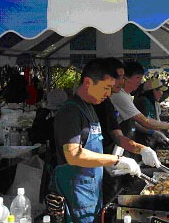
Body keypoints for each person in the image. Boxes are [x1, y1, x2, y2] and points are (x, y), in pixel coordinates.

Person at [52, 58, 144, 223]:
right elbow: (74, 155)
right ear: (88, 82)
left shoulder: (91, 107)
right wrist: (116, 160)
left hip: (91, 190)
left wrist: (141, 150)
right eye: (106, 87)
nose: (108, 93)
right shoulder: (70, 111)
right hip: (75, 192)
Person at [93, 58, 161, 205]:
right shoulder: (78, 108)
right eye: (120, 78)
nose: (121, 82)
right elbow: (73, 153)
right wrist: (110, 159)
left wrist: (142, 149)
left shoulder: (108, 103)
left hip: (112, 157)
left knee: (113, 196)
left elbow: (117, 135)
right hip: (91, 170)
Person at [109, 61, 169, 152]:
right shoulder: (120, 96)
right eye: (137, 77)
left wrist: (152, 132)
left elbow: (133, 121)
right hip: (116, 144)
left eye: (141, 78)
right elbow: (145, 121)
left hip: (126, 142)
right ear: (125, 78)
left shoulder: (127, 96)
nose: (140, 81)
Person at [133, 78, 169, 148]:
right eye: (160, 90)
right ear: (152, 91)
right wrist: (153, 132)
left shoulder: (153, 102)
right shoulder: (143, 102)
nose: (162, 93)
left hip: (150, 139)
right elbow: (139, 123)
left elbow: (156, 119)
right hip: (143, 140)